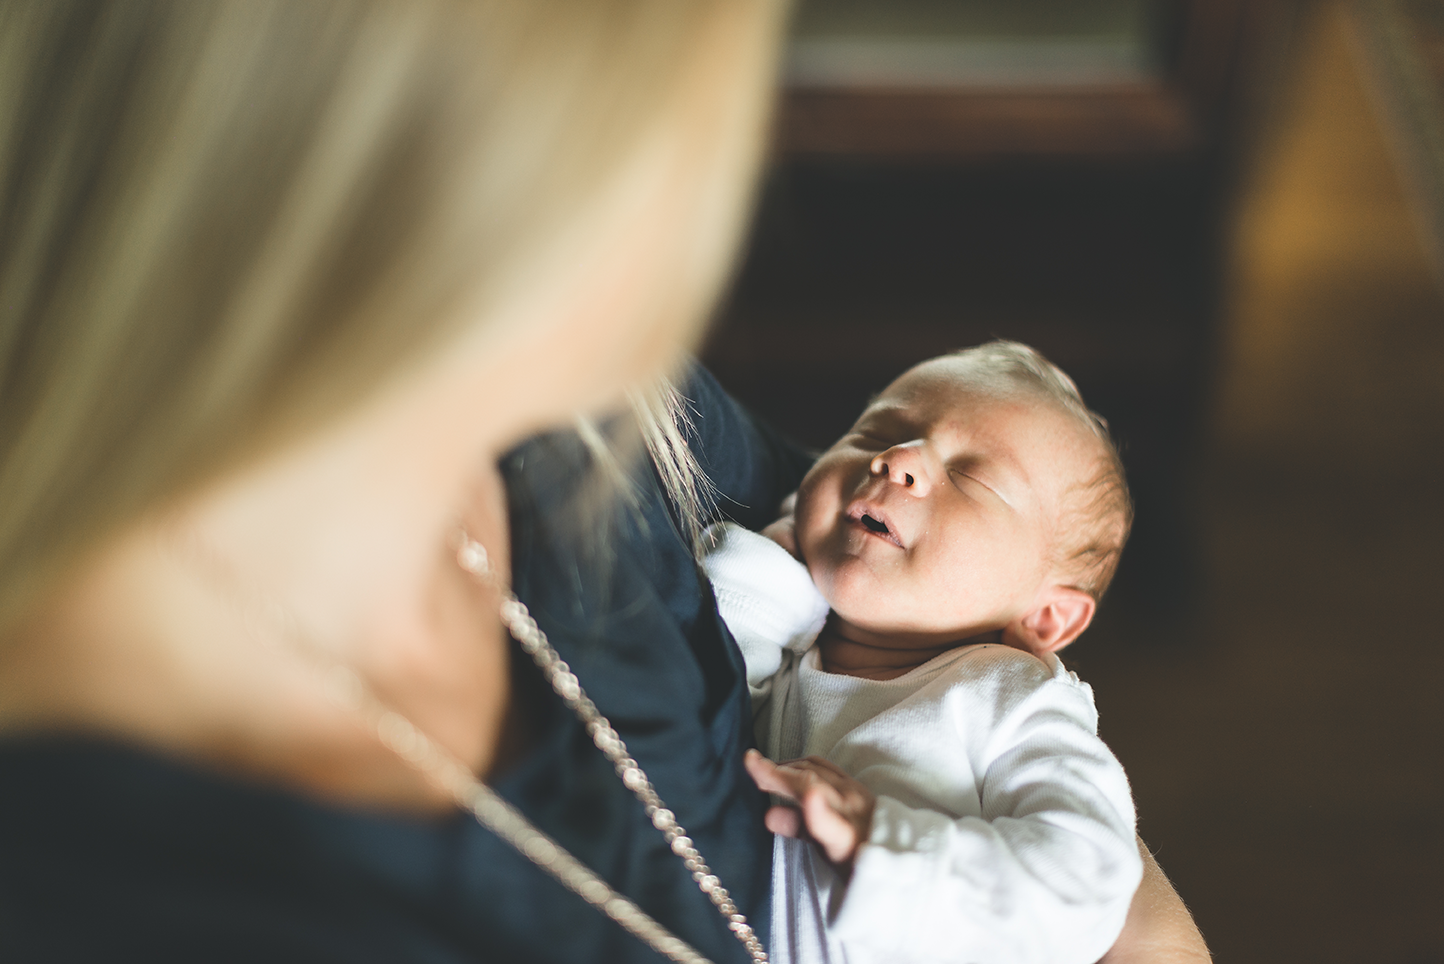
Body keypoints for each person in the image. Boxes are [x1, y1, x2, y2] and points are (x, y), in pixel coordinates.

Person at [0, 3, 1210, 962]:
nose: (893, 468)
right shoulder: (128, 873)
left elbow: (866, 558)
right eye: (675, 147)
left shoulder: (600, 404)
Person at [701, 343, 1143, 963]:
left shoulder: (1010, 697)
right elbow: (703, 714)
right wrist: (774, 574)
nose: (894, 461)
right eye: (875, 432)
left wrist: (890, 854)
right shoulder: (796, 648)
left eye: (971, 476)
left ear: (1045, 616)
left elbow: (1089, 877)